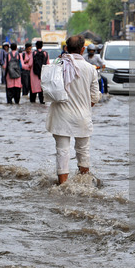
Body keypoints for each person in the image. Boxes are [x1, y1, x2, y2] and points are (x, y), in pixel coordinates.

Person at [46, 35, 100, 185]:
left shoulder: (58, 65)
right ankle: (84, 184)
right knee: (83, 151)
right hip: (82, 116)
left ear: (66, 48)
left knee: (62, 152)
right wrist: (83, 107)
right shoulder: (90, 69)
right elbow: (94, 97)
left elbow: (48, 91)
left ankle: (62, 186)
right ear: (83, 49)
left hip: (60, 116)